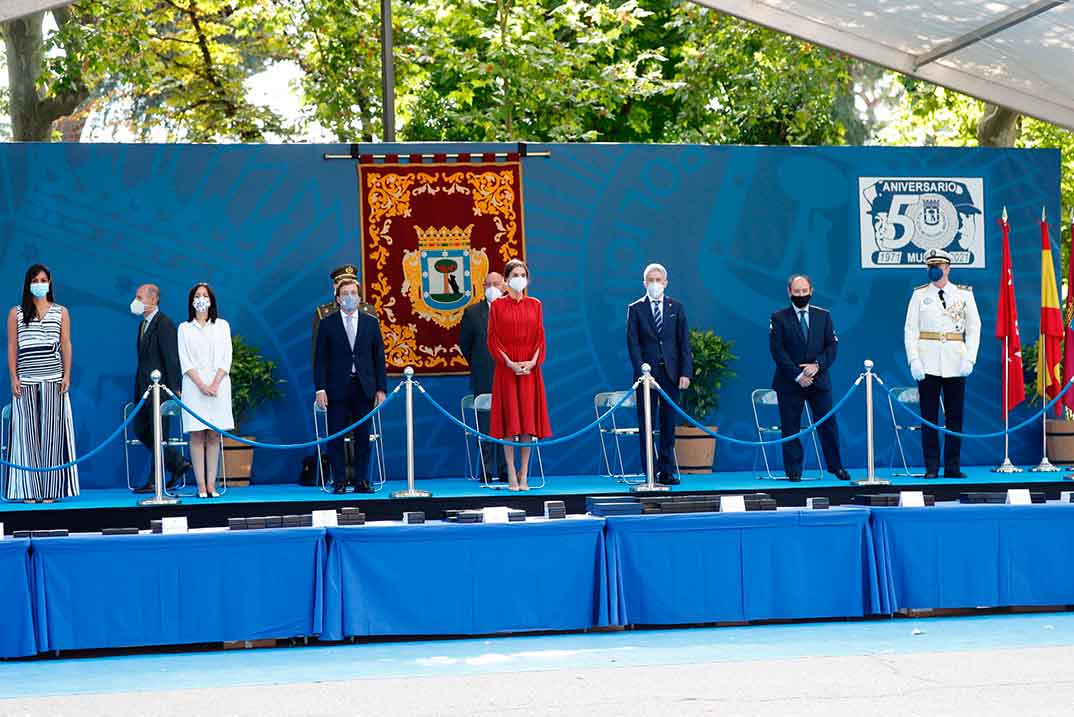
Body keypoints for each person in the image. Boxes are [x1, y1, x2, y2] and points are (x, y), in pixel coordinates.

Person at [904, 249, 981, 478]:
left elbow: (974, 328)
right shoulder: (919, 295)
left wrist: (970, 358)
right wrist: (914, 360)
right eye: (931, 266)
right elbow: (910, 330)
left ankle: (953, 466)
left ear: (948, 268)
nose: (934, 269)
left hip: (955, 361)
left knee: (954, 416)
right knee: (929, 416)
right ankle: (931, 466)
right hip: (927, 362)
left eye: (939, 265)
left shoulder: (964, 295)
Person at [5, 264, 79, 502]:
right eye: (35, 280)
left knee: (53, 435)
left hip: (53, 379)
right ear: (28, 284)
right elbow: (11, 346)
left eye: (44, 279)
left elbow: (66, 343)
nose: (40, 283)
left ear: (50, 283)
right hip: (26, 380)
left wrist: (66, 375)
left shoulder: (61, 312)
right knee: (26, 435)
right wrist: (13, 377)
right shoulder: (16, 313)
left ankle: (51, 490)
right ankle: (28, 489)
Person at [768, 275, 851, 481]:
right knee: (790, 427)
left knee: (828, 425)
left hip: (819, 380)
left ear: (811, 290)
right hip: (790, 382)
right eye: (797, 292)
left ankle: (836, 466)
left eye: (804, 291)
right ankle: (794, 471)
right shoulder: (778, 318)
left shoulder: (824, 316)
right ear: (789, 292)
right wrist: (798, 375)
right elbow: (778, 352)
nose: (801, 295)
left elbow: (832, 346)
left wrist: (817, 366)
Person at [314, 277, 387, 493]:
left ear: (360, 297)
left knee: (363, 437)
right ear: (337, 299)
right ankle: (339, 481)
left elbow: (379, 358)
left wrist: (381, 388)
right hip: (336, 389)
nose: (349, 297)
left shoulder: (370, 322)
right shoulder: (327, 324)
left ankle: (362, 480)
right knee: (336, 437)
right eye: (345, 293)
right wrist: (320, 388)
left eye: (353, 293)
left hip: (364, 388)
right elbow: (320, 359)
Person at [625, 263, 692, 485]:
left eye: (658, 280)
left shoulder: (677, 307)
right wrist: (643, 374)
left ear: (665, 283)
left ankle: (667, 470)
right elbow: (633, 345)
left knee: (668, 423)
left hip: (671, 374)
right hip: (646, 378)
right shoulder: (635, 309)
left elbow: (684, 343)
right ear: (644, 283)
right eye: (650, 280)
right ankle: (650, 470)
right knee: (647, 423)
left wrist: (685, 372)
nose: (654, 284)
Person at [488, 259, 552, 491]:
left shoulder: (536, 304)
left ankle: (524, 473)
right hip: (506, 370)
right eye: (514, 274)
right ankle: (510, 473)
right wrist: (509, 363)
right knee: (509, 424)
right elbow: (493, 339)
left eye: (522, 274)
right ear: (506, 280)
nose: (519, 278)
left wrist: (533, 362)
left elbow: (540, 338)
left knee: (527, 424)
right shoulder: (497, 306)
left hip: (530, 370)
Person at [131, 283, 191, 493]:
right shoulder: (143, 325)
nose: (136, 302)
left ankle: (155, 479)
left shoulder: (164, 324)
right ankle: (176, 462)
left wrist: (174, 388)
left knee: (159, 435)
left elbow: (171, 358)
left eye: (139, 297)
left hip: (161, 391)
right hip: (144, 389)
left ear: (153, 299)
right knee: (141, 430)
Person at [177, 283, 234, 498]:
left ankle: (212, 485)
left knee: (213, 436)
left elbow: (226, 357)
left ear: (211, 300)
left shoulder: (222, 326)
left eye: (205, 295)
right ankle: (200, 486)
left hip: (219, 385)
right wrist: (202, 385)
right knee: (197, 436)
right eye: (197, 295)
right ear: (192, 301)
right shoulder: (184, 328)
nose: (201, 298)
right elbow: (185, 360)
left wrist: (215, 383)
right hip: (194, 386)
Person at [459, 271, 509, 483]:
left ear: (504, 285)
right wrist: (481, 364)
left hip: (509, 375)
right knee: (486, 425)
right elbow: (465, 346)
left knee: (508, 425)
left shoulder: (513, 309)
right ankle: (487, 470)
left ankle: (506, 469)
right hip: (484, 376)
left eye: (495, 283)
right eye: (487, 284)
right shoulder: (472, 312)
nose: (491, 287)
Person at [311, 265, 375, 365]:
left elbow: (376, 350)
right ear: (335, 287)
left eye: (351, 284)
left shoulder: (368, 311)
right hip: (335, 374)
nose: (347, 288)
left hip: (364, 375)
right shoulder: (324, 314)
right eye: (343, 284)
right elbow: (318, 353)